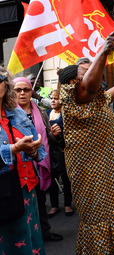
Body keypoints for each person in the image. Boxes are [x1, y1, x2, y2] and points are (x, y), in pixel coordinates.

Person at [58, 31, 114, 254]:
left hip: (107, 164)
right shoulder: (75, 96)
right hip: (89, 170)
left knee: (112, 208)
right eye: (86, 71)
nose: (94, 71)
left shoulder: (95, 97)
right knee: (97, 213)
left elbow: (108, 95)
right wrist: (103, 51)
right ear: (75, 81)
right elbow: (89, 88)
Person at [0, 67, 47, 254]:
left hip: (26, 190)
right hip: (3, 193)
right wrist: (14, 149)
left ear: (6, 84)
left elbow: (39, 149)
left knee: (32, 243)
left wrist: (34, 151)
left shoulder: (17, 113)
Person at [13, 77, 63, 242]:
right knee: (22, 203)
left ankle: (44, 232)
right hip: (19, 165)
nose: (22, 93)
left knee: (41, 200)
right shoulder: (8, 113)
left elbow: (46, 138)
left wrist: (53, 135)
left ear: (31, 92)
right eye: (17, 90)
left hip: (39, 163)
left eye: (26, 89)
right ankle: (26, 237)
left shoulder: (40, 111)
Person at [46, 89, 74, 217]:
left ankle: (67, 204)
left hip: (63, 150)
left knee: (66, 178)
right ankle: (54, 205)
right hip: (49, 151)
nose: (53, 100)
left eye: (56, 98)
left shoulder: (65, 114)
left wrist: (59, 135)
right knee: (51, 179)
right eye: (51, 98)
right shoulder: (45, 114)